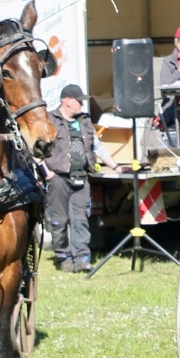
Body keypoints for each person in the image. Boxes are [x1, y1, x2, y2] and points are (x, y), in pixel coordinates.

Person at [43, 84, 122, 273]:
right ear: (67, 101)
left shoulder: (85, 121)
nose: (81, 104)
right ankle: (64, 258)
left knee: (81, 219)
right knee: (59, 221)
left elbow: (97, 146)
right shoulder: (49, 120)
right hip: (58, 177)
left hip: (81, 176)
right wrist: (47, 172)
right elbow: (37, 150)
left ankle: (82, 259)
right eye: (79, 101)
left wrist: (116, 166)